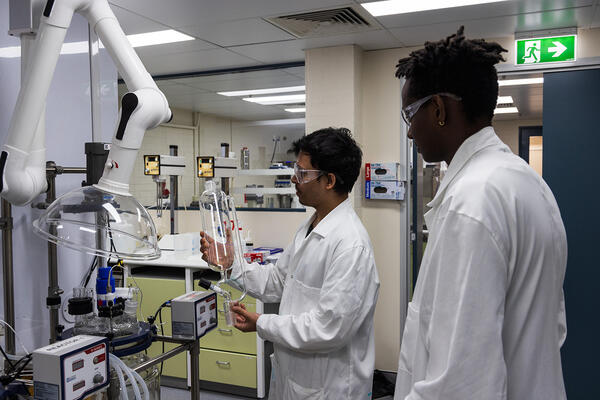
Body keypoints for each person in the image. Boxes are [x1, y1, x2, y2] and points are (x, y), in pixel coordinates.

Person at [393, 27, 567, 399]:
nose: (410, 134)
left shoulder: (472, 200)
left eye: (411, 114)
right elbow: (554, 327)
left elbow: (461, 382)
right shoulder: (526, 181)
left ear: (438, 109)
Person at [201, 127, 380, 399]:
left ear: (329, 180)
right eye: (296, 169)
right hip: (295, 376)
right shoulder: (310, 227)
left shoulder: (350, 245)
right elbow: (279, 283)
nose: (294, 178)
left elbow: (328, 328)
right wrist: (231, 264)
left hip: (329, 386)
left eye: (303, 173)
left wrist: (263, 323)